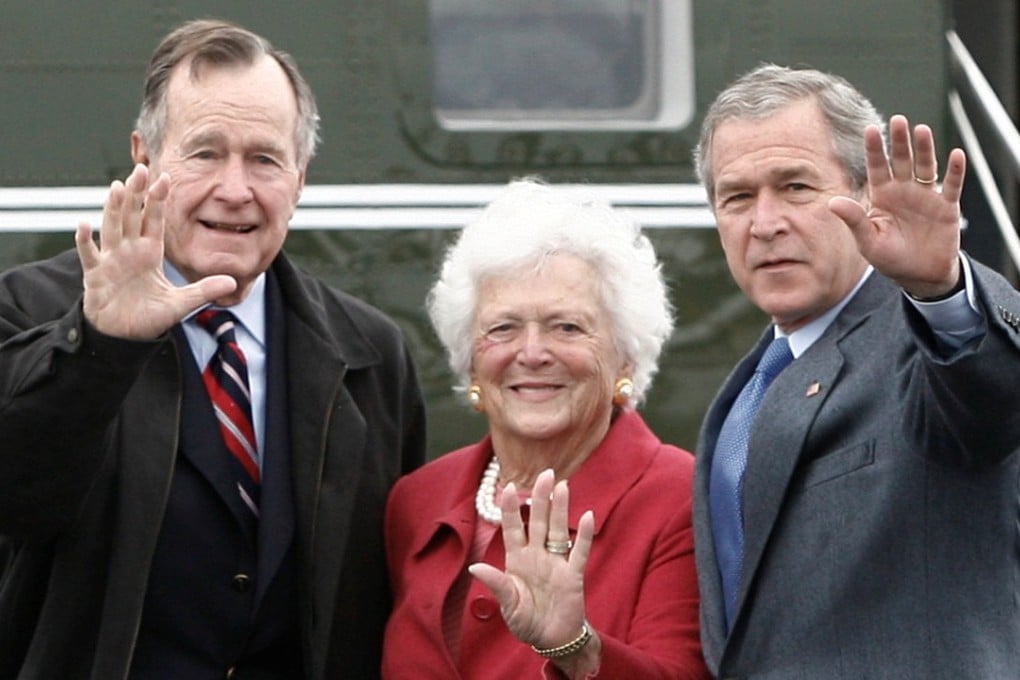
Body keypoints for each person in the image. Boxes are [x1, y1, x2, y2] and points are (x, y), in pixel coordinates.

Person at [0, 19, 426, 679]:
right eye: (205, 153)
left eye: (264, 158)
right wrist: (101, 346)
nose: (235, 190)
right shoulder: (29, 311)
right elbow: (18, 501)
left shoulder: (369, 354)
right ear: (145, 158)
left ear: (301, 178)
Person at [691, 63, 1020, 678]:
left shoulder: (923, 337)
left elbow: (990, 395)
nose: (764, 223)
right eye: (737, 197)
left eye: (796, 187)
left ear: (868, 194)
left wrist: (940, 290)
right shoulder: (744, 391)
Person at [382, 178, 711, 679]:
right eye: (502, 328)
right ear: (470, 363)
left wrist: (575, 650)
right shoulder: (416, 502)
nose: (532, 353)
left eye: (568, 327)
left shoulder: (680, 499)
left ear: (626, 357)